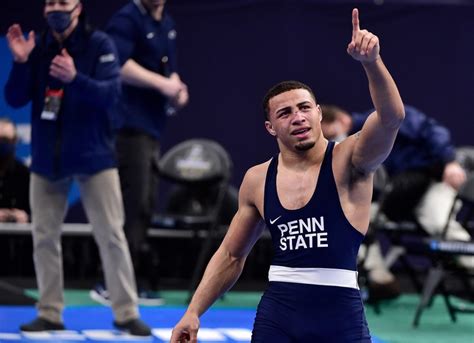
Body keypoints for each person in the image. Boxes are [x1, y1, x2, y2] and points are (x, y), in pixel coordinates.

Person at [171, 8, 405, 342]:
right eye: (285, 112)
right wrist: (193, 311)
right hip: (278, 314)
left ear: (319, 113)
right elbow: (231, 255)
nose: (297, 117)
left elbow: (391, 118)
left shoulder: (348, 159)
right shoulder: (257, 179)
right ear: (270, 127)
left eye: (305, 107)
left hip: (340, 316)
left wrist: (372, 63)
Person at [4, 0, 151, 335]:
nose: (56, 8)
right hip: (46, 160)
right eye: (51, 2)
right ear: (43, 10)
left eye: (63, 2)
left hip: (93, 156)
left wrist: (75, 78)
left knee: (111, 235)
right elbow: (14, 98)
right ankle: (50, 311)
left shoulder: (100, 44)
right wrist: (21, 62)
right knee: (43, 237)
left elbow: (111, 95)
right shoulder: (37, 46)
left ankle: (126, 311)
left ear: (78, 8)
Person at [99, 0, 189, 303]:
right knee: (131, 204)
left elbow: (169, 74)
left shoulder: (167, 24)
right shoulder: (126, 19)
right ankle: (110, 283)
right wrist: (164, 84)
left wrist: (177, 91)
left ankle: (126, 282)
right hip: (126, 128)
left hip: (151, 129)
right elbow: (118, 65)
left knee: (144, 206)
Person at [321, 103, 473, 269]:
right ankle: (380, 280)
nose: (333, 140)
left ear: (342, 120)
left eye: (333, 134)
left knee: (438, 223)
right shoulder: (347, 151)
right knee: (352, 220)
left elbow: (431, 131)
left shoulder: (386, 117)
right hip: (398, 199)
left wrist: (449, 161)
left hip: (431, 185)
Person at [0, 118, 30, 223]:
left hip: (18, 237)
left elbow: (40, 215)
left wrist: (26, 217)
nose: (2, 145)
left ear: (15, 141)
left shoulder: (25, 174)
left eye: (7, 140)